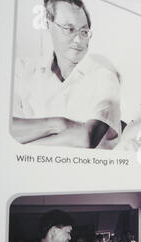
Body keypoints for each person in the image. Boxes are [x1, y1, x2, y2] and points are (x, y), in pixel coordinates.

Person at [11, 0, 121, 149]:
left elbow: (84, 139)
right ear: (48, 24)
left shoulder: (104, 76)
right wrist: (58, 123)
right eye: (69, 29)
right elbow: (6, 128)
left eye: (84, 32)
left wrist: (19, 147)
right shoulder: (22, 70)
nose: (78, 40)